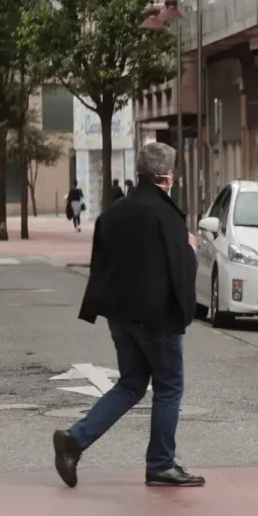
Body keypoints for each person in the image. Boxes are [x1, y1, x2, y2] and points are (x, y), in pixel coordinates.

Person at [52, 142, 202, 489]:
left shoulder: (114, 212)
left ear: (138, 174)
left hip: (120, 316)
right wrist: (191, 250)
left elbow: (101, 264)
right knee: (169, 386)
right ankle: (161, 464)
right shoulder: (167, 216)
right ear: (168, 177)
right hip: (157, 318)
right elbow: (182, 270)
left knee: (132, 383)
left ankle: (75, 440)